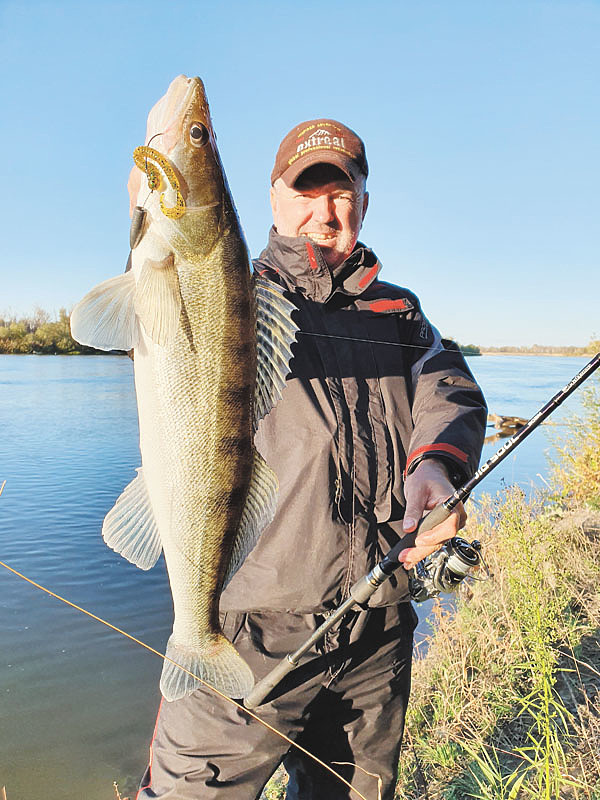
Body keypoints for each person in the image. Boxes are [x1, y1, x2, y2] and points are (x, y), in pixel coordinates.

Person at [137, 119, 487, 800]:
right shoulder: (231, 292)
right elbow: (153, 298)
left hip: (376, 624)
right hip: (246, 630)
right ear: (273, 198)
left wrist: (435, 465)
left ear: (364, 201)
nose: (325, 211)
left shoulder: (398, 312)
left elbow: (448, 385)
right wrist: (147, 193)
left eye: (342, 192)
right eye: (305, 191)